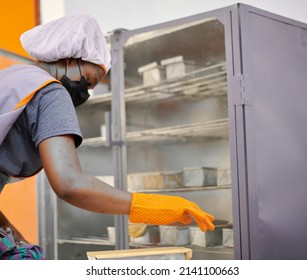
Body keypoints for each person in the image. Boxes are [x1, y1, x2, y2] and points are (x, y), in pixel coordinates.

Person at [0, 14, 215, 260]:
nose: (85, 94)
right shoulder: (50, 92)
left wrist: (17, 239)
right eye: (89, 82)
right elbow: (70, 184)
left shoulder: (12, 78)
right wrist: (154, 207)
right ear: (71, 58)